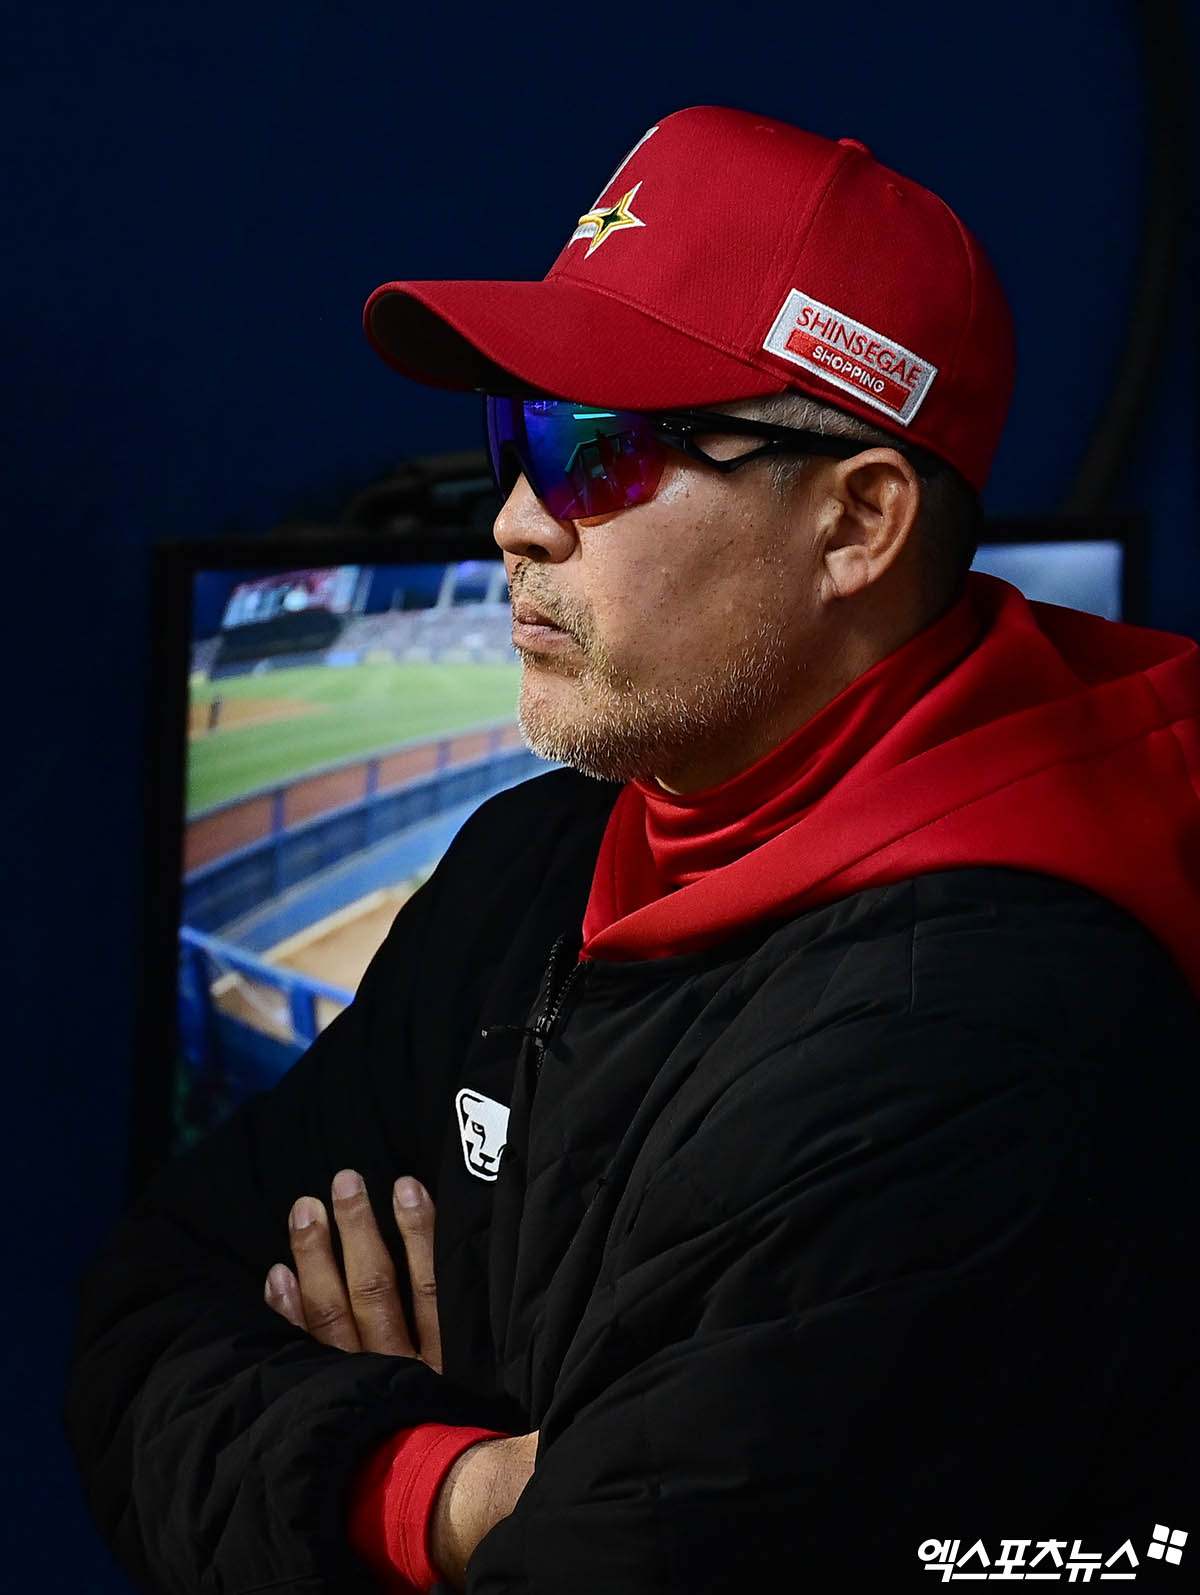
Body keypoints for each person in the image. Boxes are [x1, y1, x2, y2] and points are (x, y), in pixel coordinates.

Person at [64, 106, 1199, 1595]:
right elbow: (141, 1327)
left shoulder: (993, 1028)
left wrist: (354, 1466)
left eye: (596, 451)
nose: (515, 522)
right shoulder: (531, 856)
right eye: (515, 433)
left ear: (857, 522)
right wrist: (448, 1491)